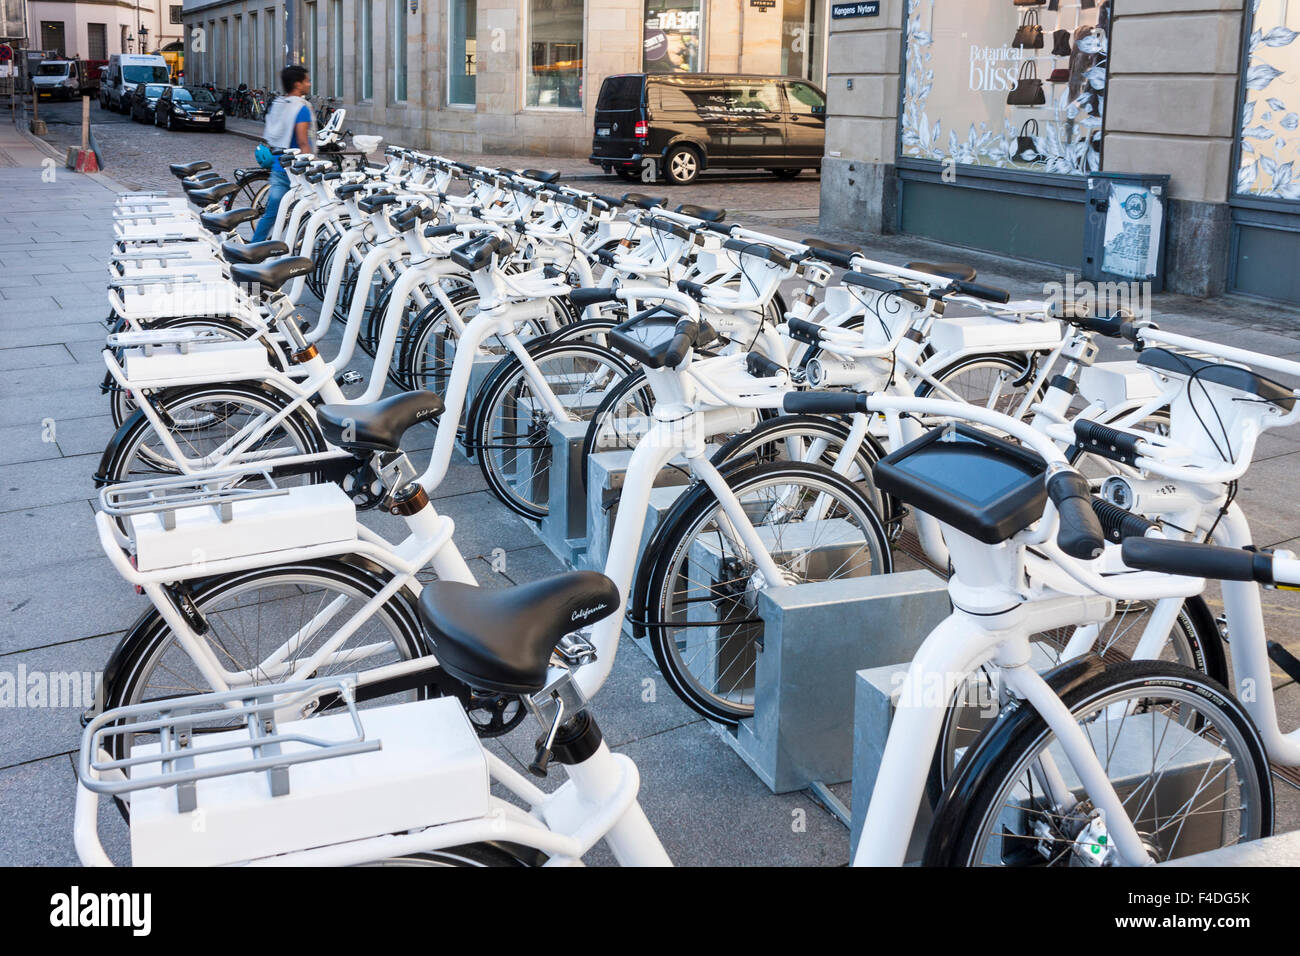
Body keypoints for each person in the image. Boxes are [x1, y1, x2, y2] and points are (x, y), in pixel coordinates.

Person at [251, 65, 314, 243]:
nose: (309, 84)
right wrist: (310, 164)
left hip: (279, 166)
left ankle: (255, 247)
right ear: (297, 84)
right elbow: (303, 141)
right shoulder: (301, 109)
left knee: (272, 213)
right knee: (314, 211)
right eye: (306, 81)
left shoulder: (279, 104)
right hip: (297, 171)